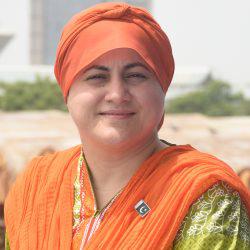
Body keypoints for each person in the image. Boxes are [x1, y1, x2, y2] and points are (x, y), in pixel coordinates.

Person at [4, 2, 250, 249]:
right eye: (97, 77)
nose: (117, 94)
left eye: (135, 75)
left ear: (162, 89)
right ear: (66, 92)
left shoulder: (205, 195)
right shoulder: (35, 186)